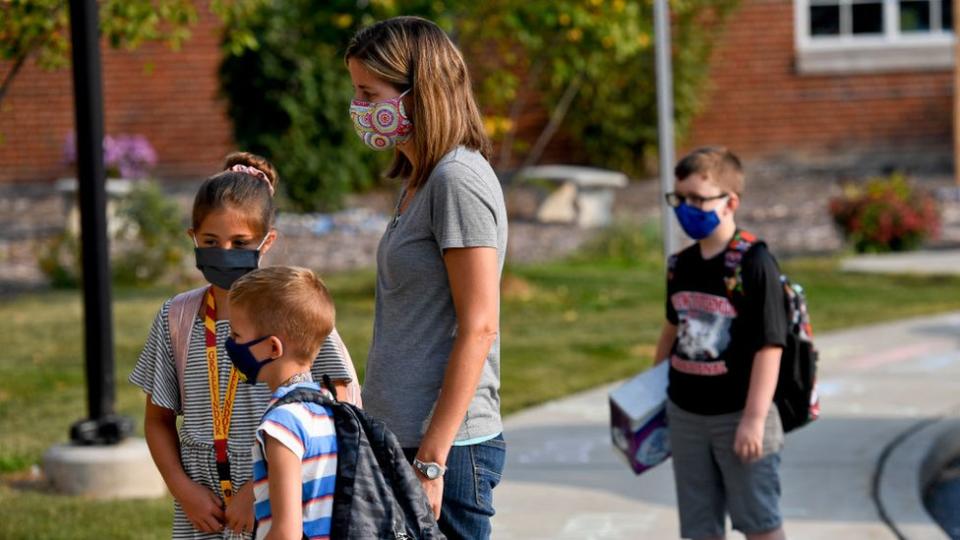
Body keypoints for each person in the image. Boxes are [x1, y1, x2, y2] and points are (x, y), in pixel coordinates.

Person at [129, 153, 355, 539]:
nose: (225, 252)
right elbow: (158, 421)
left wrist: (258, 490)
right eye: (211, 241)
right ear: (193, 238)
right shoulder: (176, 318)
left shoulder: (293, 310)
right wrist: (183, 492)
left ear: (267, 241)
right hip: (203, 512)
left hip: (280, 501)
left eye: (240, 242)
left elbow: (342, 407)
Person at [345, 16, 508, 540]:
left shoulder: (457, 180)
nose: (360, 108)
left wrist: (432, 461)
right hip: (403, 440)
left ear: (420, 94)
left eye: (370, 93)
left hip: (446, 452)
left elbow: (480, 325)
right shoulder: (422, 179)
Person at [653, 147, 788, 540]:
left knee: (759, 522)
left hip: (739, 416)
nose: (686, 208)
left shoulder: (754, 263)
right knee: (698, 528)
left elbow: (770, 346)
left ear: (730, 202)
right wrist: (651, 394)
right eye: (680, 198)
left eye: (698, 199)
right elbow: (671, 329)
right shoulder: (680, 264)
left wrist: (754, 419)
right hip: (686, 415)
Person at [227, 266, 338, 540]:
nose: (230, 343)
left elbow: (286, 531)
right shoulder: (329, 405)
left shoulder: (283, 422)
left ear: (273, 348)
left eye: (237, 335)